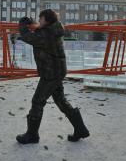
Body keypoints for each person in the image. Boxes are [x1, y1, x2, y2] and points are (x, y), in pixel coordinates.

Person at [16, 9, 90, 144]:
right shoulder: (52, 30)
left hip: (51, 73)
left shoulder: (48, 33)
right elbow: (38, 31)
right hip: (55, 71)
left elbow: (30, 37)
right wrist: (31, 23)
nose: (39, 21)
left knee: (37, 101)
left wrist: (22, 25)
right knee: (60, 101)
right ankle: (80, 129)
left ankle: (32, 135)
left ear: (47, 20)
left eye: (41, 19)